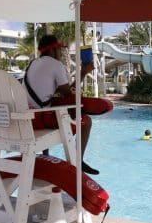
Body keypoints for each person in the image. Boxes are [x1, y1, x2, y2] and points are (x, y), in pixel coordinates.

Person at [24, 34, 99, 175]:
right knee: (87, 121)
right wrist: (83, 73)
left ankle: (45, 155)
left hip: (27, 120)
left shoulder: (32, 64)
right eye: (59, 50)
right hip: (41, 121)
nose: (60, 53)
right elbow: (70, 95)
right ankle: (78, 161)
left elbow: (53, 91)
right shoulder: (55, 65)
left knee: (46, 107)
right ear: (53, 50)